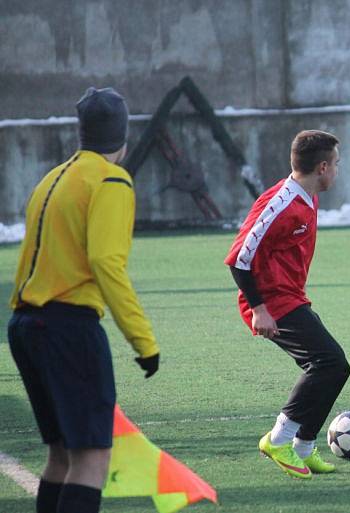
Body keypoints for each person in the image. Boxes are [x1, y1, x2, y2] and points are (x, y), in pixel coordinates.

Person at [7, 87, 160, 513]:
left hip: (25, 325)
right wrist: (144, 342)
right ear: (122, 138)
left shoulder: (52, 178)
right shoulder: (111, 179)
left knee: (60, 454)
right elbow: (106, 262)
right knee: (91, 457)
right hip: (66, 328)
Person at [225, 130, 350, 479]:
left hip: (291, 296)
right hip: (270, 301)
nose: (337, 171)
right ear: (322, 167)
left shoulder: (307, 195)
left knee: (334, 367)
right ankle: (278, 439)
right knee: (328, 362)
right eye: (336, 164)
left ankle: (304, 447)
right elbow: (239, 259)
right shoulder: (281, 203)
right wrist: (258, 309)